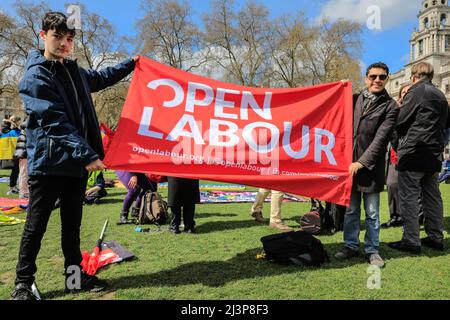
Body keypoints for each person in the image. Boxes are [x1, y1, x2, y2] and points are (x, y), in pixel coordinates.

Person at [11, 12, 138, 300]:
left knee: (72, 226)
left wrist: (131, 63)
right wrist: (86, 154)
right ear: (43, 36)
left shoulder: (73, 70)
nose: (64, 44)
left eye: (69, 39)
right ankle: (22, 283)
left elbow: (101, 77)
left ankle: (73, 278)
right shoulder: (36, 75)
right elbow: (54, 120)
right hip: (48, 165)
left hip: (75, 167)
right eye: (57, 37)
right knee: (36, 226)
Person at [334, 62, 398, 268]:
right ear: (366, 78)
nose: (377, 80)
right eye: (373, 76)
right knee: (351, 211)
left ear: (387, 79)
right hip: (348, 166)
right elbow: (334, 110)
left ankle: (372, 250)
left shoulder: (391, 106)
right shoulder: (354, 99)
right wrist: (338, 89)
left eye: (381, 77)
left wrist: (361, 163)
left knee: (372, 214)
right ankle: (350, 245)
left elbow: (381, 140)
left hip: (371, 168)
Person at [388, 62, 449, 253]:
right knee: (432, 197)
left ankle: (411, 240)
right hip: (433, 154)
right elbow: (447, 125)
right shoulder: (440, 95)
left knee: (409, 198)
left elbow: (400, 120)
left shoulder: (416, 91)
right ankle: (435, 237)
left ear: (414, 77)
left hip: (414, 152)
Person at [381, 83, 411, 228]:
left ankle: (415, 217)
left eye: (408, 92)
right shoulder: (394, 110)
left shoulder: (417, 109)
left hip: (412, 153)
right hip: (394, 154)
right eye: (403, 92)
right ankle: (395, 216)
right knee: (392, 184)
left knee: (412, 188)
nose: (405, 94)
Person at [2, 116, 21, 195]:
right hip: (14, 153)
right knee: (15, 171)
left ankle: (12, 186)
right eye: (19, 121)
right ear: (16, 122)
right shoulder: (15, 132)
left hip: (7, 153)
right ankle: (12, 187)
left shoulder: (6, 131)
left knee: (15, 171)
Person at [13, 119, 29, 199]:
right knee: (24, 174)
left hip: (22, 153)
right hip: (24, 153)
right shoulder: (27, 128)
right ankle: (23, 193)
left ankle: (24, 192)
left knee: (23, 173)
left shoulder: (23, 129)